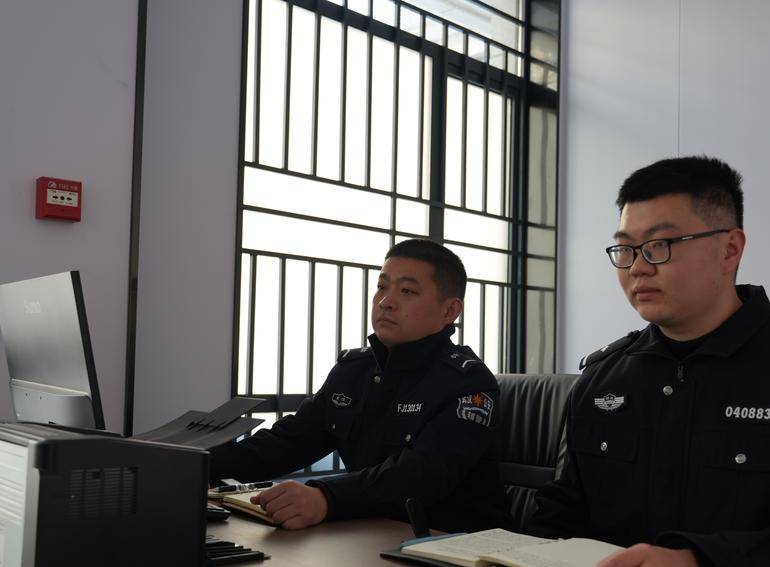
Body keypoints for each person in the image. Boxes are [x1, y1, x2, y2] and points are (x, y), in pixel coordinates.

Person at [528, 156, 770, 567]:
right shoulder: (602, 380)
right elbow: (561, 512)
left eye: (660, 246)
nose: (638, 267)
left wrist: (698, 560)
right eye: (626, 248)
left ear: (729, 249)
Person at [209, 238, 510, 531]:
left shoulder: (467, 383)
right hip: (369, 531)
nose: (386, 302)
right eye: (381, 287)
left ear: (450, 311)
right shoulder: (353, 371)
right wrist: (199, 464)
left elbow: (422, 475)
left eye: (407, 291)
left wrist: (326, 498)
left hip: (451, 543)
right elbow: (288, 442)